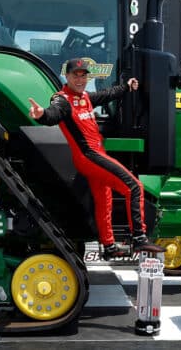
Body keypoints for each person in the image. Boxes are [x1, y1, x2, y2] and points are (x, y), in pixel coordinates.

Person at [28, 58, 163, 259]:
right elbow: (53, 114)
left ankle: (109, 246)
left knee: (104, 200)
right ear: (67, 76)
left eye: (84, 76)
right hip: (89, 157)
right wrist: (41, 115)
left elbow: (108, 94)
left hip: (95, 156)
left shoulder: (86, 98)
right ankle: (139, 238)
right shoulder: (62, 100)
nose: (80, 80)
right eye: (76, 75)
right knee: (134, 187)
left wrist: (126, 87)